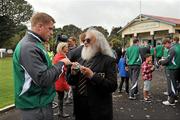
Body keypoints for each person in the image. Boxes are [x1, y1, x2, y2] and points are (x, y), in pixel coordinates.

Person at [13, 12, 71, 120]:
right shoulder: (29, 47)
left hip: (38, 103)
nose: (52, 33)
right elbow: (44, 78)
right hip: (35, 105)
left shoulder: (35, 44)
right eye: (50, 29)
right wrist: (62, 63)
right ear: (40, 26)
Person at [67, 29, 117, 120]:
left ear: (98, 42)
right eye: (84, 40)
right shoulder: (81, 59)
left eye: (88, 40)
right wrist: (73, 74)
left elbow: (112, 86)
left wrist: (92, 76)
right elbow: (71, 82)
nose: (84, 42)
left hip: (98, 111)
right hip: (80, 108)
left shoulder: (109, 61)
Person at [159, 37, 180, 105]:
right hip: (177, 68)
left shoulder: (172, 49)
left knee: (171, 84)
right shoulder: (176, 48)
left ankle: (171, 101)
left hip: (172, 69)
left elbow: (167, 60)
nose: (164, 46)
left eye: (164, 45)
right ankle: (175, 98)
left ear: (168, 43)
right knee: (175, 84)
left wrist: (160, 62)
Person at [53, 42, 70, 118]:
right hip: (60, 80)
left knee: (60, 97)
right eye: (66, 47)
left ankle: (60, 112)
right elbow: (63, 69)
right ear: (62, 48)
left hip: (58, 80)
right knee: (61, 97)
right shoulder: (61, 57)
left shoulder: (58, 55)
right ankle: (61, 113)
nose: (68, 48)